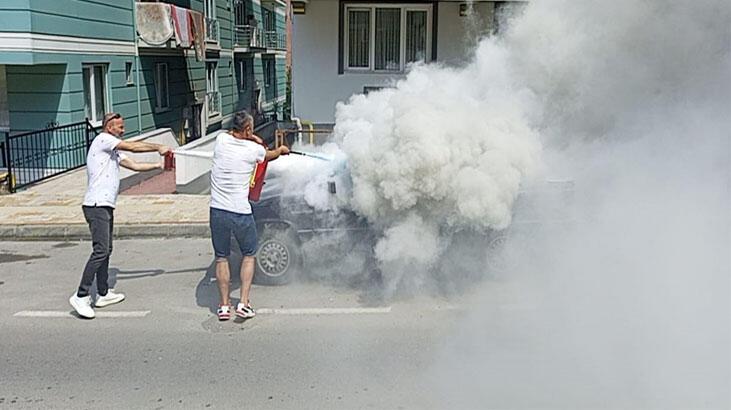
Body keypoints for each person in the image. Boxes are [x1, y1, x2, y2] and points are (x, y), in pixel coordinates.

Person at [69, 113, 172, 319]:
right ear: (108, 127)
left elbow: (133, 164)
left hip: (105, 205)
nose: (123, 130)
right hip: (96, 205)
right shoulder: (103, 140)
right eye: (120, 127)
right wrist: (158, 147)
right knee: (100, 251)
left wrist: (158, 166)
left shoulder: (112, 151)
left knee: (106, 249)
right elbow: (133, 147)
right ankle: (81, 295)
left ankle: (103, 293)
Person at [210, 110, 289, 320]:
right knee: (249, 255)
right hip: (240, 212)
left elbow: (234, 134)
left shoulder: (220, 140)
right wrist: (281, 149)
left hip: (217, 210)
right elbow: (270, 154)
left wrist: (248, 135)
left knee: (221, 257)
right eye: (251, 128)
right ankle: (243, 303)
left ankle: (224, 306)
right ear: (247, 129)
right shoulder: (254, 150)